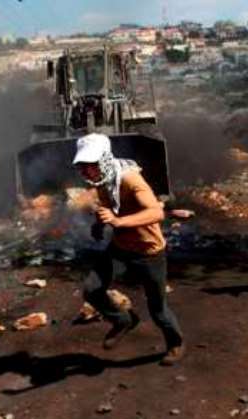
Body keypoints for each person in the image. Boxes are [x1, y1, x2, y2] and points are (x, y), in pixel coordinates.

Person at [74, 133, 185, 366]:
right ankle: (123, 320)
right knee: (92, 289)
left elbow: (156, 213)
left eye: (89, 165)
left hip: (149, 252)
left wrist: (117, 222)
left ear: (104, 160)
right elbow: (108, 207)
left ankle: (175, 344)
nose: (85, 171)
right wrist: (99, 224)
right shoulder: (101, 180)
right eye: (82, 166)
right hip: (121, 248)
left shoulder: (130, 179)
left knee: (158, 310)